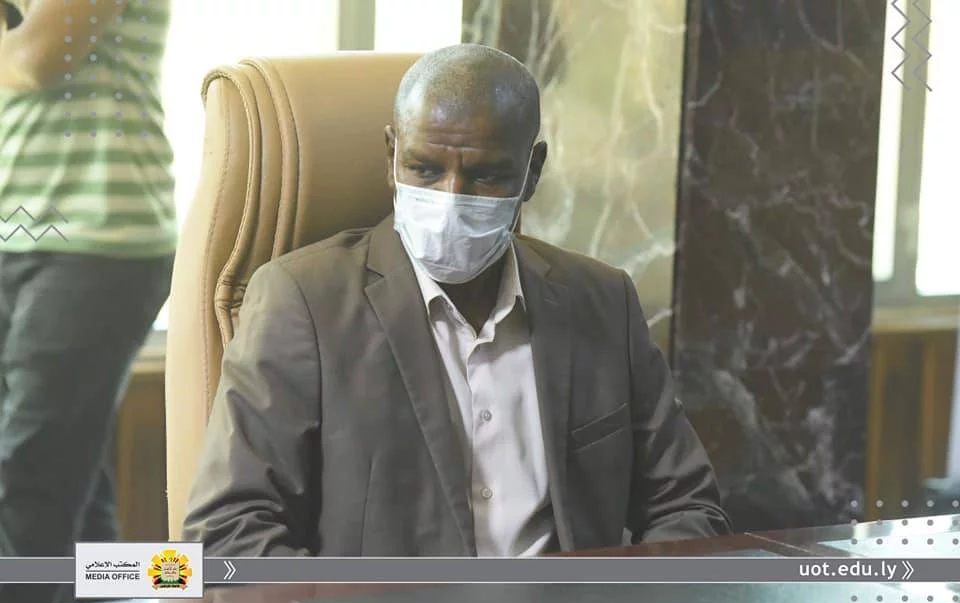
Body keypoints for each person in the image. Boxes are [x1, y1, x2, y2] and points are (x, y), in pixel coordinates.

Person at [183, 44, 731, 557]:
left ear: (532, 172)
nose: (451, 201)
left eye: (485, 175)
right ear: (391, 156)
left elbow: (687, 507)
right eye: (425, 169)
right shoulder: (303, 302)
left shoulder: (601, 301)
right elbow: (228, 536)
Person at [0, 0, 175, 603]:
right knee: (67, 479)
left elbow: (37, 58)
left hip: (99, 236)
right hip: (16, 228)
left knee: (26, 481)